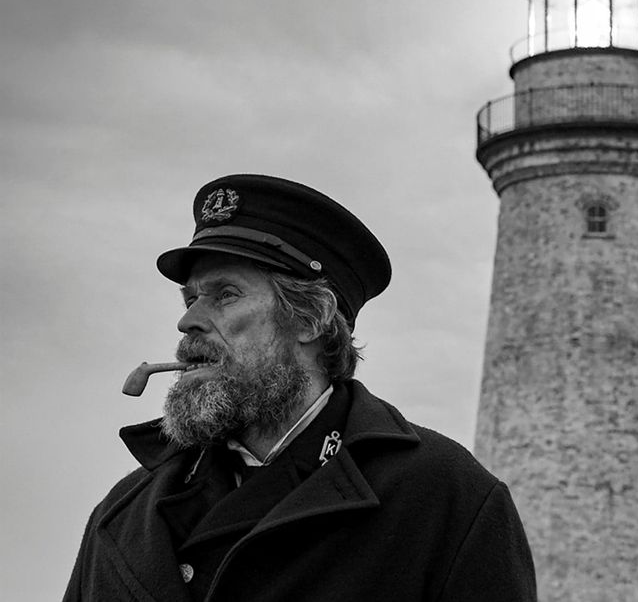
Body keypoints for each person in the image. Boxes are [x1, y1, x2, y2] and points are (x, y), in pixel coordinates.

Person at [65, 174, 537, 601]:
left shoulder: (446, 499)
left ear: (310, 319)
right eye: (191, 298)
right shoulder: (125, 514)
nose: (188, 321)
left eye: (224, 295)